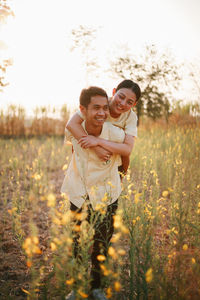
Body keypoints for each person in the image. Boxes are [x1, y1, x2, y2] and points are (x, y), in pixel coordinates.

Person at [61, 86, 128, 300]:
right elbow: (74, 149)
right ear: (83, 109)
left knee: (101, 243)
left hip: (106, 195)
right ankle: (77, 287)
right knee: (76, 243)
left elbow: (126, 156)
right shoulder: (74, 129)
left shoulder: (116, 134)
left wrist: (121, 178)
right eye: (95, 108)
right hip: (79, 193)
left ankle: (96, 287)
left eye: (104, 108)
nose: (101, 112)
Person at [66, 80, 141, 175]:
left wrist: (98, 141)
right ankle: (78, 173)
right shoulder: (100, 102)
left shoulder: (131, 116)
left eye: (129, 102)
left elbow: (127, 149)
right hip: (89, 140)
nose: (122, 103)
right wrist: (96, 148)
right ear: (114, 92)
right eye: (121, 97)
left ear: (134, 104)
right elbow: (71, 124)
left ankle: (119, 181)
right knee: (80, 129)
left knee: (122, 144)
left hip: (112, 146)